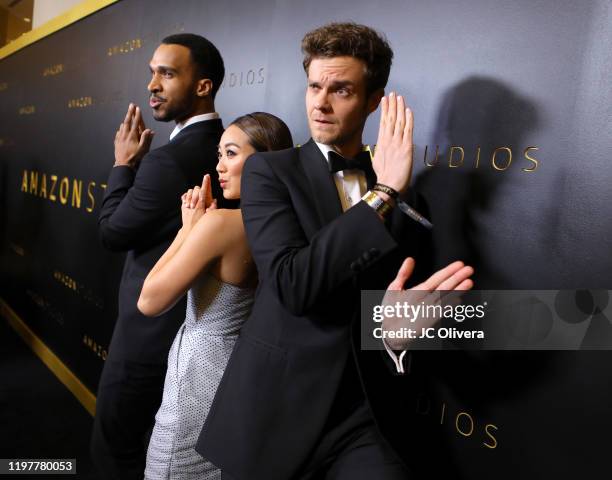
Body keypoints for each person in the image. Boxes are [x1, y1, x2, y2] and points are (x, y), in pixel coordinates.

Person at [196, 22, 474, 479]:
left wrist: (395, 335)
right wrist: (382, 194)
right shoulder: (270, 172)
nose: (320, 103)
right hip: (276, 410)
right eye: (313, 86)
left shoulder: (406, 193)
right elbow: (293, 285)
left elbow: (392, 305)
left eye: (341, 90)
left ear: (373, 100)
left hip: (365, 415)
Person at [92, 33, 227, 479]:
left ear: (203, 86)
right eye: (152, 71)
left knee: (118, 455)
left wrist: (123, 165)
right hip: (193, 340)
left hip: (148, 339)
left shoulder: (170, 159)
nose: (152, 83)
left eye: (167, 73)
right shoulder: (227, 146)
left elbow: (113, 232)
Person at [136, 112, 293, 480]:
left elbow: (150, 300)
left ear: (265, 160)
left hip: (197, 378)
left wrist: (188, 229)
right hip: (241, 380)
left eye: (232, 154)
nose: (220, 166)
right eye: (220, 154)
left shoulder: (221, 224)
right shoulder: (283, 223)